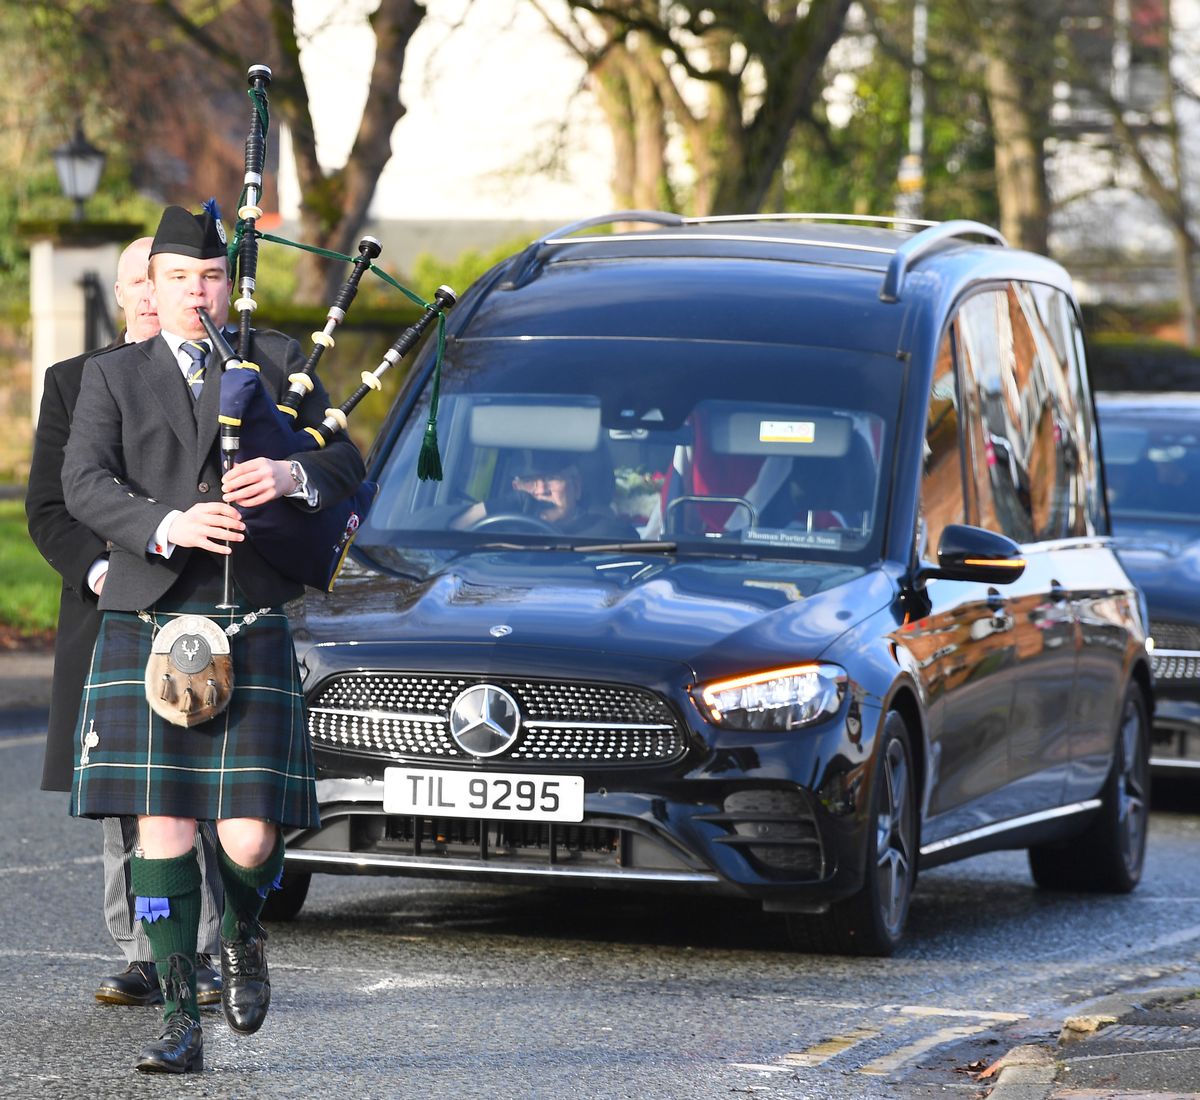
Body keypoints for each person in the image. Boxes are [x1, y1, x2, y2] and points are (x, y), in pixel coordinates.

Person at [61, 203, 365, 1074]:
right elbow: (84, 483)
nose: (196, 292)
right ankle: (177, 1019)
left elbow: (350, 463)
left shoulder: (275, 364)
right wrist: (167, 524)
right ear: (150, 288)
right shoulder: (114, 376)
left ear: (227, 286)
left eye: (210, 277)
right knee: (160, 829)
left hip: (250, 615)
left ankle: (241, 929)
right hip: (154, 615)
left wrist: (290, 471)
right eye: (178, 278)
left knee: (249, 840)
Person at [25, 235, 224, 1008]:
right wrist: (105, 569)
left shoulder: (220, 376)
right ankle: (143, 949)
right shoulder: (76, 381)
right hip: (110, 610)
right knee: (123, 797)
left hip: (204, 609)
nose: (148, 293)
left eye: (161, 278)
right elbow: (49, 505)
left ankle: (205, 949)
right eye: (135, 281)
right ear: (120, 294)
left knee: (199, 791)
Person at [452, 448, 638, 538]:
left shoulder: (609, 534)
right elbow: (446, 537)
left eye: (552, 478)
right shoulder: (497, 531)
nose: (541, 490)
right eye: (529, 481)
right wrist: (495, 507)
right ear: (516, 489)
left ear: (576, 486)